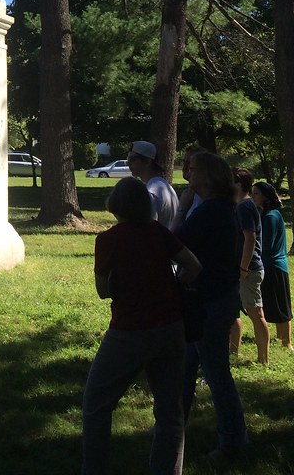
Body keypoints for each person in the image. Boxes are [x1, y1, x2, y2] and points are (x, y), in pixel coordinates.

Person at [82, 177, 201, 475]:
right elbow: (194, 265)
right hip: (171, 327)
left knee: (96, 403)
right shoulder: (158, 231)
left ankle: (95, 469)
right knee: (170, 409)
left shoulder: (108, 239)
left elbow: (102, 291)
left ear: (115, 205)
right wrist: (175, 287)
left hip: (129, 330)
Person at [177, 151, 248, 465]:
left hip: (210, 304)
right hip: (211, 300)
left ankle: (232, 442)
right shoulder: (221, 208)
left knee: (216, 374)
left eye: (193, 168)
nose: (188, 171)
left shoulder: (210, 211)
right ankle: (173, 428)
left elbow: (175, 242)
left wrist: (181, 208)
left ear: (207, 177)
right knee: (185, 368)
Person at [229, 167, 270, 364]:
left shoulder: (245, 206)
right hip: (242, 268)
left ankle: (263, 360)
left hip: (249, 269)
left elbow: (250, 238)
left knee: (256, 313)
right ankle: (232, 354)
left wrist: (244, 268)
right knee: (233, 312)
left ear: (238, 183)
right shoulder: (241, 205)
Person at [252, 181, 293, 351]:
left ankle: (287, 342)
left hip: (274, 266)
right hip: (270, 265)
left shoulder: (270, 217)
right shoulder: (268, 214)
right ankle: (280, 338)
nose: (252, 197)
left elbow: (265, 245)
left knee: (281, 306)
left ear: (265, 197)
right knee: (274, 304)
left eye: (256, 193)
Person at [127, 140, 179, 229]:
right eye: (128, 159)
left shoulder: (151, 193)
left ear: (147, 162)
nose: (128, 163)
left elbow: (148, 231)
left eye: (133, 159)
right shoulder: (164, 186)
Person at [171, 145, 206, 232]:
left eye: (190, 164)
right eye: (184, 162)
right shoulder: (190, 194)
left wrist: (182, 209)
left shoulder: (203, 198)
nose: (184, 168)